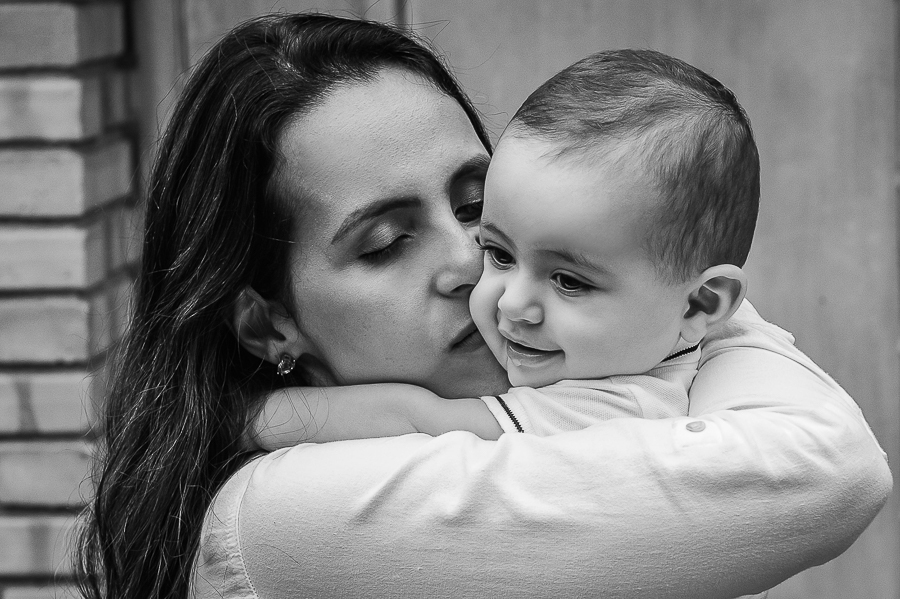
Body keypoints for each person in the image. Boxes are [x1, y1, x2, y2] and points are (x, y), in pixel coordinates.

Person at [73, 13, 892, 599]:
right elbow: (833, 466)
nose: (473, 266)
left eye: (475, 207)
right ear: (266, 322)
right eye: (387, 241)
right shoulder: (294, 513)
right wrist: (658, 290)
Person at [249, 48, 758, 446]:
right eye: (500, 253)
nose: (502, 296)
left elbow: (413, 418)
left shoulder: (614, 407)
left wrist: (244, 418)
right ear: (269, 326)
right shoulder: (660, 335)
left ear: (701, 303)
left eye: (569, 281)